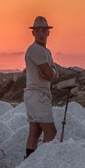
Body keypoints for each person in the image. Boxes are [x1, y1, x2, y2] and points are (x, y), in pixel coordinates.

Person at [24, 16, 57, 158]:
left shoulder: (46, 52)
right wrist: (52, 72)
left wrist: (52, 72)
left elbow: (53, 73)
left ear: (48, 33)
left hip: (36, 94)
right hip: (38, 94)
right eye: (38, 31)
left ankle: (30, 161)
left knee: (35, 130)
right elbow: (50, 74)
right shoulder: (35, 50)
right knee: (51, 131)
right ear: (33, 33)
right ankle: (43, 160)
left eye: (44, 30)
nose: (41, 33)